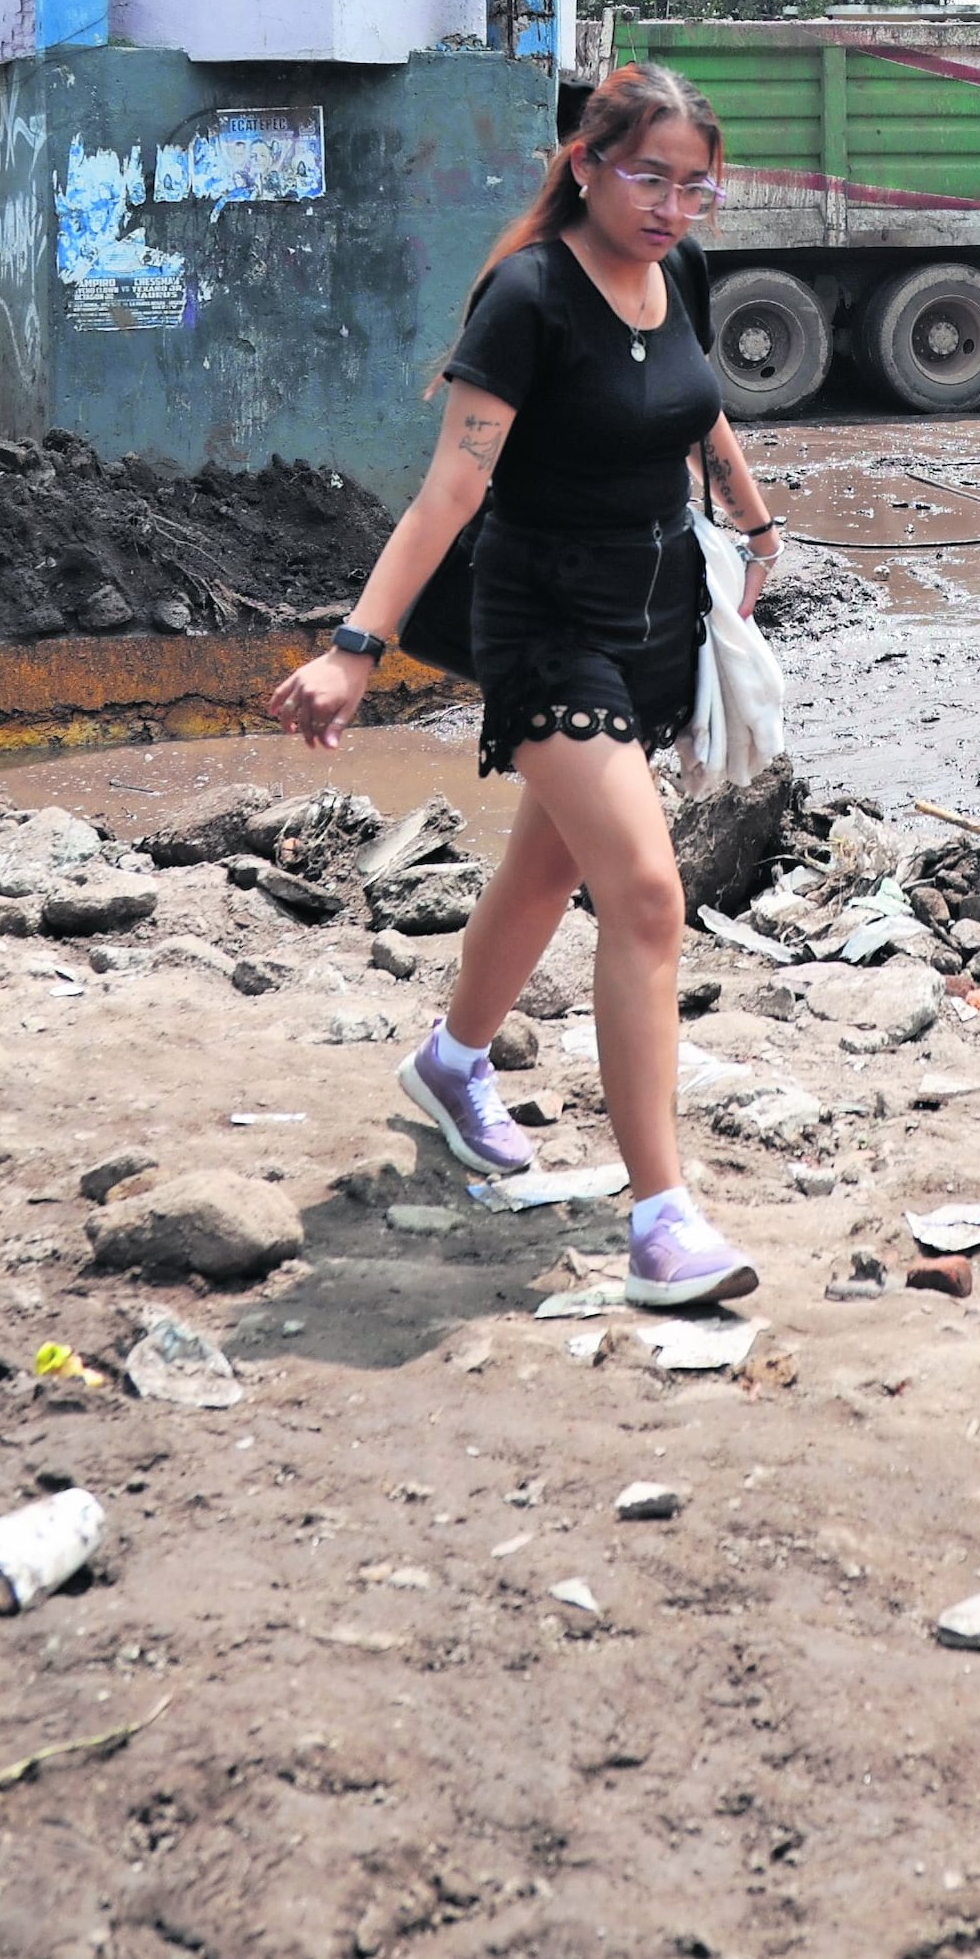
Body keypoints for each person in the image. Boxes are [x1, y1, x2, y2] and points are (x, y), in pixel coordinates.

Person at [265, 64, 787, 1310]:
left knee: (548, 865)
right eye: (648, 176)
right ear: (586, 164)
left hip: (655, 615)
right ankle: (661, 1220)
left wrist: (758, 523)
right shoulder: (528, 293)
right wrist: (355, 644)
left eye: (693, 185)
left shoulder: (682, 271)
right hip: (545, 619)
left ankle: (451, 1062)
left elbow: (693, 405)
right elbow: (450, 487)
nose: (670, 205)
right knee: (648, 895)